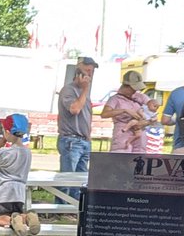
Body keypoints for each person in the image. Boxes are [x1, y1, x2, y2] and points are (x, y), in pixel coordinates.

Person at [57, 56, 98, 198]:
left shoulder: (85, 94)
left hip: (84, 141)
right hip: (71, 140)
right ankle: (60, 207)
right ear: (78, 74)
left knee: (81, 180)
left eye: (91, 72)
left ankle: (74, 207)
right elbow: (74, 109)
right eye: (87, 71)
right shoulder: (69, 90)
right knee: (67, 178)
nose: (90, 75)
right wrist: (85, 89)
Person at [100, 71, 158, 154]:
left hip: (139, 133)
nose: (135, 91)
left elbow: (154, 114)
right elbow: (104, 114)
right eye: (133, 88)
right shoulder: (115, 99)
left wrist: (144, 123)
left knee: (139, 160)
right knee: (122, 158)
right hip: (123, 133)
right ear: (126, 86)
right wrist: (124, 110)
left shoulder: (142, 97)